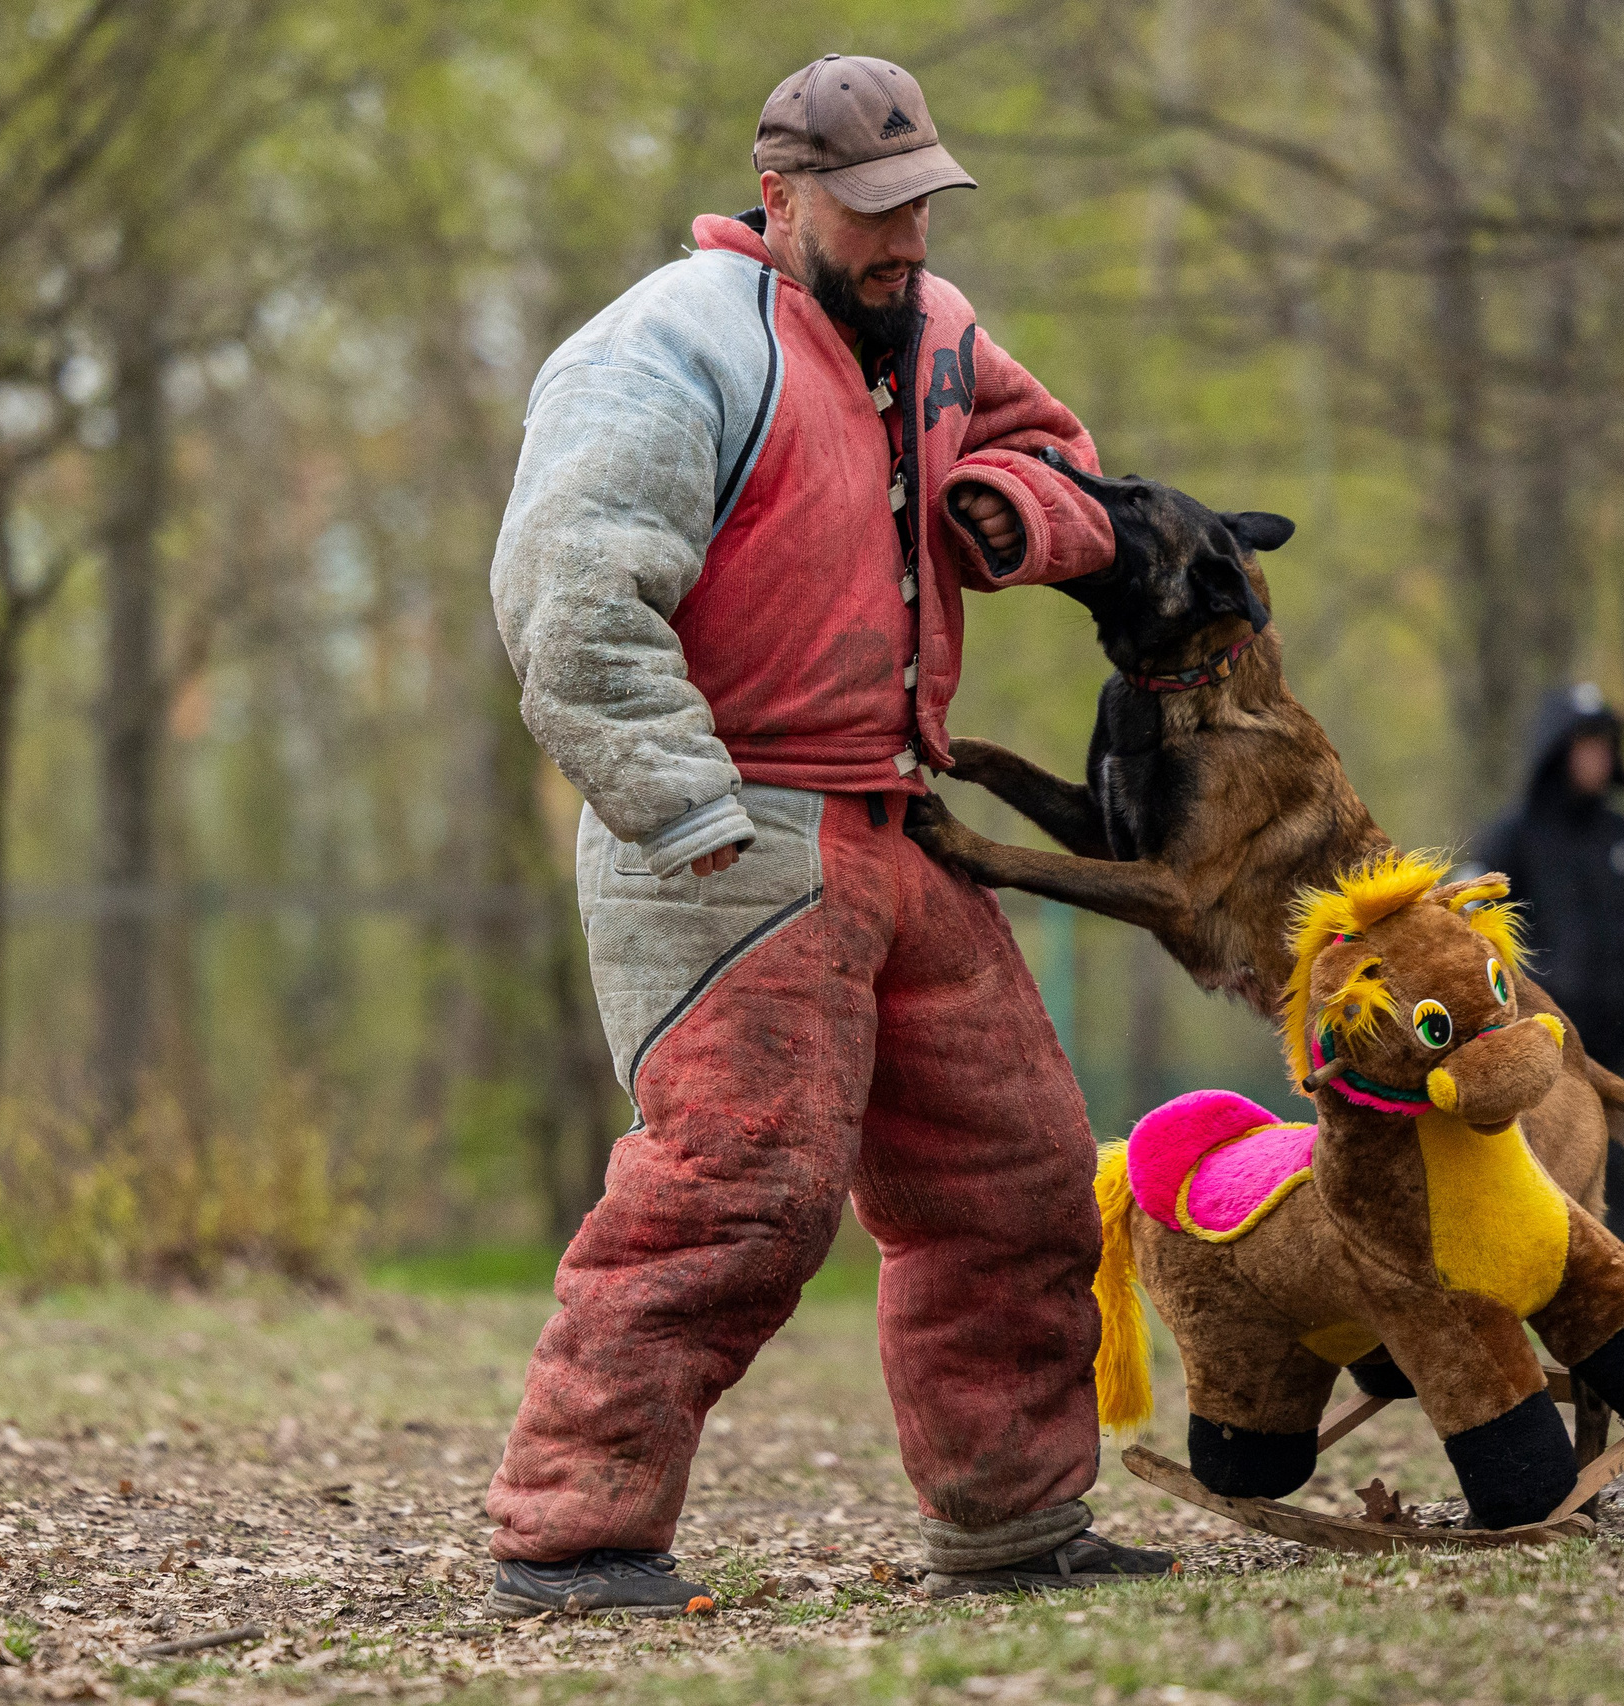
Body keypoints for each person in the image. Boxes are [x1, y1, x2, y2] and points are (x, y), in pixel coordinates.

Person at [482, 54, 1176, 1617]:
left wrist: (1021, 512)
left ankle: (1016, 1516)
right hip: (731, 821)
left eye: (921, 203)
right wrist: (686, 812)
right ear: (778, 196)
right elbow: (571, 596)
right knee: (740, 1185)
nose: (904, 240)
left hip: (903, 818)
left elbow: (1068, 461)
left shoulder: (936, 332)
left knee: (1020, 1171)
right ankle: (571, 1529)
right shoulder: (665, 344)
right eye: (870, 211)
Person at [1475, 683, 1624, 1253]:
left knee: (1618, 1159)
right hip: (1543, 1041)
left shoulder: (1620, 835)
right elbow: (1473, 934)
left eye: (1606, 745)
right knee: (1544, 1157)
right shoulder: (1512, 838)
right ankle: (1541, 1268)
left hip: (1613, 1035)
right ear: (1557, 751)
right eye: (1586, 745)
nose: (1598, 758)